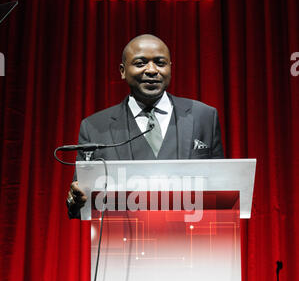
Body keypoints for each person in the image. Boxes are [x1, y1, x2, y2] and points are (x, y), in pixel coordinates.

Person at [66, 34, 224, 218]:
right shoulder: (94, 127)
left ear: (170, 69)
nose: (151, 70)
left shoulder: (204, 116)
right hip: (125, 240)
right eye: (140, 63)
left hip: (190, 239)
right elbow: (78, 201)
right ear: (123, 71)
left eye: (160, 63)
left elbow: (221, 187)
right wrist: (75, 200)